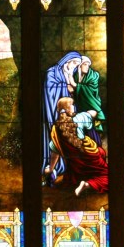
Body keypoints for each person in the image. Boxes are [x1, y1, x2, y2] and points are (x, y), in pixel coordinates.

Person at [43, 97, 124, 195]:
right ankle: (87, 184)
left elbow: (54, 152)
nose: (74, 107)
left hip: (77, 167)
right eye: (72, 105)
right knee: (122, 178)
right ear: (67, 108)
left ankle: (85, 179)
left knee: (99, 153)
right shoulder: (80, 118)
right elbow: (94, 112)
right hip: (91, 159)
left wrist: (51, 168)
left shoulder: (55, 129)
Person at [42, 52, 82, 182]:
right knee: (53, 135)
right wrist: (66, 86)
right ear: (67, 61)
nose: (75, 67)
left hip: (65, 111)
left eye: (77, 65)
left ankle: (64, 165)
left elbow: (71, 91)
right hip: (52, 110)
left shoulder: (69, 74)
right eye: (74, 63)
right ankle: (52, 165)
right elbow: (50, 90)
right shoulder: (51, 72)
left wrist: (70, 82)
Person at [74, 56, 105, 145]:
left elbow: (90, 91)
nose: (87, 66)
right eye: (85, 64)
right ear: (79, 66)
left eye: (88, 65)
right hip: (79, 106)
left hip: (92, 104)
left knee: (93, 131)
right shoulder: (76, 76)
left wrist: (75, 85)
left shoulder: (93, 76)